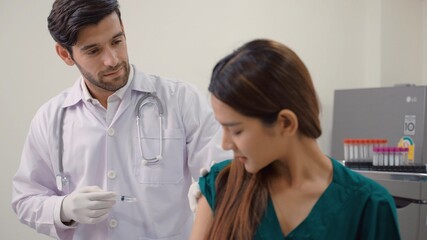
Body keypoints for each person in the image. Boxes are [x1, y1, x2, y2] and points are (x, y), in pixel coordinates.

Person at [11, 0, 231, 239]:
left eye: (117, 41)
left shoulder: (181, 100)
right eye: (93, 51)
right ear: (65, 54)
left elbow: (225, 174)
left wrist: (209, 190)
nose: (112, 60)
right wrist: (63, 209)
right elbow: (25, 199)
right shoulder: (50, 119)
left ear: (123, 29)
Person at [190, 39, 401, 239]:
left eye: (235, 131)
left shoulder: (369, 206)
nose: (224, 144)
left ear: (286, 123)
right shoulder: (222, 185)